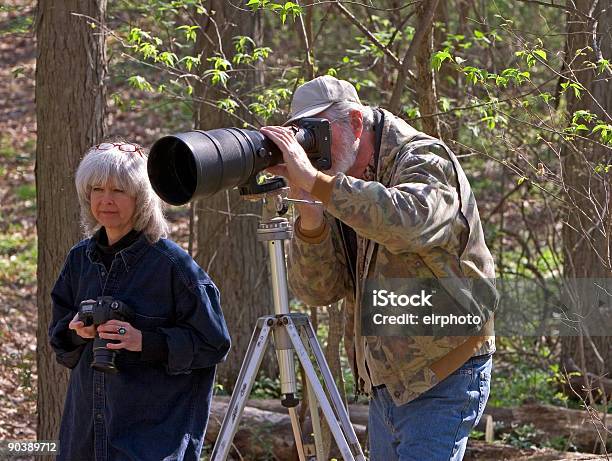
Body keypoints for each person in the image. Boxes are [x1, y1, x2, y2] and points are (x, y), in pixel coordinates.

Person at [261, 75, 496, 461]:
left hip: (444, 372)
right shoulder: (339, 178)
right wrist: (310, 214)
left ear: (356, 123)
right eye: (302, 136)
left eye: (319, 133)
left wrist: (319, 184)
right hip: (386, 383)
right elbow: (319, 291)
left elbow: (410, 222)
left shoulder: (424, 158)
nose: (313, 147)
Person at [49, 140, 231, 461]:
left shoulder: (173, 266)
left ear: (141, 199)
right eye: (97, 189)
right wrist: (79, 331)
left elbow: (213, 344)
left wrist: (142, 341)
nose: (106, 200)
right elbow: (60, 340)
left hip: (151, 441)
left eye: (119, 191)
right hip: (85, 438)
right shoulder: (79, 260)